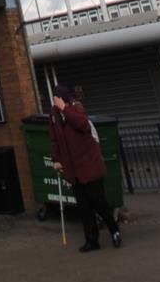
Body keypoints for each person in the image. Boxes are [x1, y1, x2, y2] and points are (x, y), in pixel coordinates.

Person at [48, 83, 121, 252]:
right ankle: (92, 240)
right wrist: (56, 159)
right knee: (84, 206)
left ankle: (114, 229)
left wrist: (65, 109)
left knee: (98, 201)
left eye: (58, 100)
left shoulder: (77, 108)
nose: (55, 103)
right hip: (73, 169)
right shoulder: (54, 116)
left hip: (89, 165)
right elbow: (54, 139)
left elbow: (82, 125)